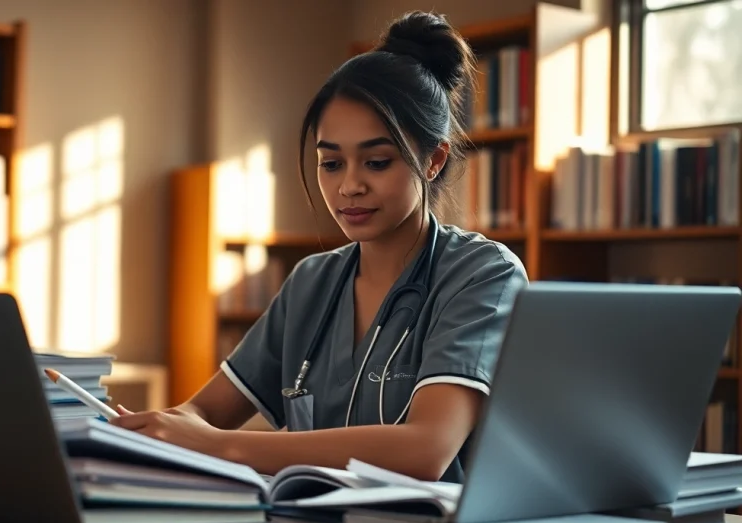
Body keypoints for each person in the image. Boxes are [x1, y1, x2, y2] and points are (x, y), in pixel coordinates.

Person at [113, 10, 528, 483]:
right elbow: (201, 416)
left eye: (375, 162)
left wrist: (220, 445)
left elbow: (425, 449)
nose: (350, 186)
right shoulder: (312, 281)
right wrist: (145, 432)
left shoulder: (483, 274)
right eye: (331, 164)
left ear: (432, 161)